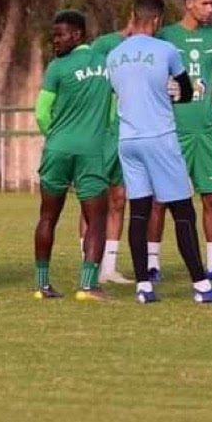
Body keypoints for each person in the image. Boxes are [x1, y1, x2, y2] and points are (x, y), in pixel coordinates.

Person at [106, 0, 212, 305]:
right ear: (158, 20)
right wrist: (171, 92)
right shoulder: (166, 50)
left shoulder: (115, 54)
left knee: (139, 211)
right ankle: (202, 286)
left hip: (128, 140)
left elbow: (116, 90)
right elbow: (185, 92)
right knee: (183, 211)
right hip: (159, 137)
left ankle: (143, 287)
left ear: (133, 16)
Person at [153, 0, 212, 282]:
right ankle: (152, 264)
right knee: (160, 200)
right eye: (205, 3)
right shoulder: (165, 36)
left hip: (205, 131)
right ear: (189, 4)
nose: (210, 8)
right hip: (172, 131)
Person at [32, 10, 111, 300]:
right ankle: (88, 286)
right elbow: (113, 112)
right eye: (54, 35)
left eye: (60, 35)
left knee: (47, 216)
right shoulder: (106, 64)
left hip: (58, 149)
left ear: (77, 35)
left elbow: (42, 112)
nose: (55, 40)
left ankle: (42, 285)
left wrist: (54, 136)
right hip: (91, 151)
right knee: (96, 220)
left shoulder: (56, 68)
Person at [86, 22, 133, 285]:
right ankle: (89, 264)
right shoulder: (104, 45)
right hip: (102, 134)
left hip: (126, 133)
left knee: (119, 198)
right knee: (93, 198)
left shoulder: (148, 48)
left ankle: (109, 268)